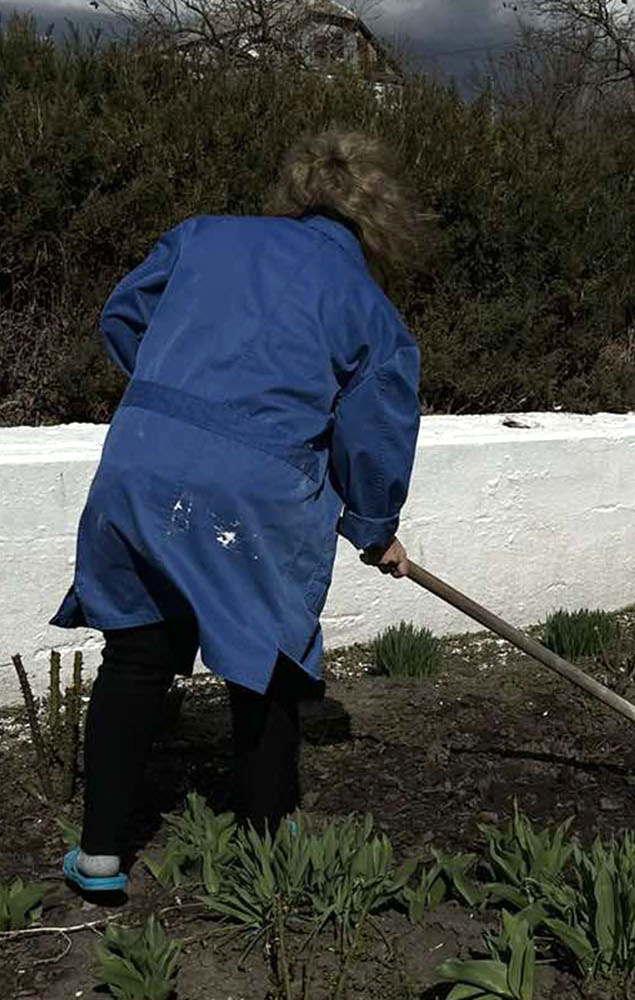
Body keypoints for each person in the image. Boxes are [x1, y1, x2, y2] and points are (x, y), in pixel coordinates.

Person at [52, 130, 426, 892]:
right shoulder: (366, 304)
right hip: (257, 494)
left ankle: (99, 858)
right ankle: (268, 858)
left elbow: (124, 316)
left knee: (137, 652)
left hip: (142, 463)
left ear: (295, 194)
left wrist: (182, 399)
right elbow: (375, 430)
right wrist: (374, 526)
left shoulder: (201, 237)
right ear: (378, 222)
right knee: (265, 664)